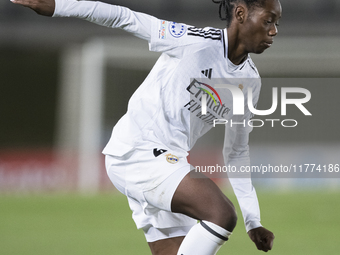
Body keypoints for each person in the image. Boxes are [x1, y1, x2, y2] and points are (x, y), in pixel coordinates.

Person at [12, 0, 281, 254]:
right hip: (138, 151)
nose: (274, 30)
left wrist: (252, 220)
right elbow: (125, 17)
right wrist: (60, 5)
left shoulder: (249, 82)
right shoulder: (193, 41)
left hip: (168, 164)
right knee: (221, 214)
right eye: (268, 20)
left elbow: (235, 152)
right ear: (241, 14)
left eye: (277, 23)